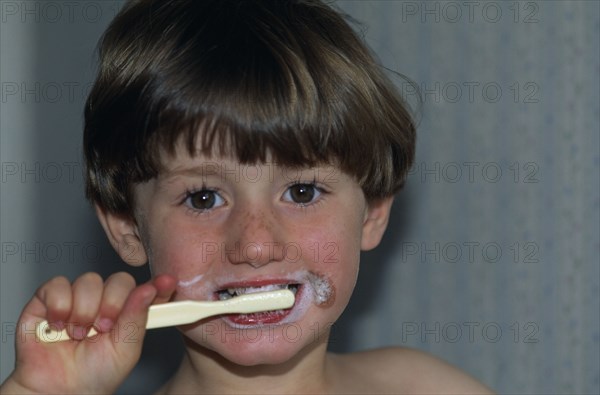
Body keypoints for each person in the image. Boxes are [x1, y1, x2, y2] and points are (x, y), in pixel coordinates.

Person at [1, 0, 493, 393]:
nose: (256, 246)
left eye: (302, 192)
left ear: (373, 214)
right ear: (128, 227)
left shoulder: (424, 386)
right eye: (203, 199)